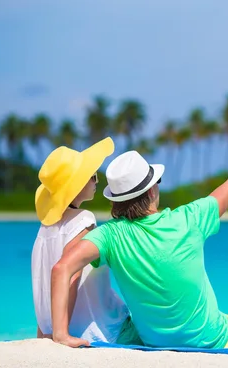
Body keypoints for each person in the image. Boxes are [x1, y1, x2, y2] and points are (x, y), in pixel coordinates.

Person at [49, 113, 228, 349]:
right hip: (213, 340)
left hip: (154, 343)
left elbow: (61, 268)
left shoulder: (110, 236)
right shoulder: (190, 219)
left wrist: (60, 334)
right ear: (151, 192)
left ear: (117, 200)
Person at [31, 137, 142, 345]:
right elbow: (70, 273)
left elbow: (43, 285)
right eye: (92, 176)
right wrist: (61, 335)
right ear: (77, 184)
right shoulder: (83, 219)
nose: (96, 181)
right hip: (100, 329)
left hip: (56, 328)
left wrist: (46, 333)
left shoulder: (45, 229)